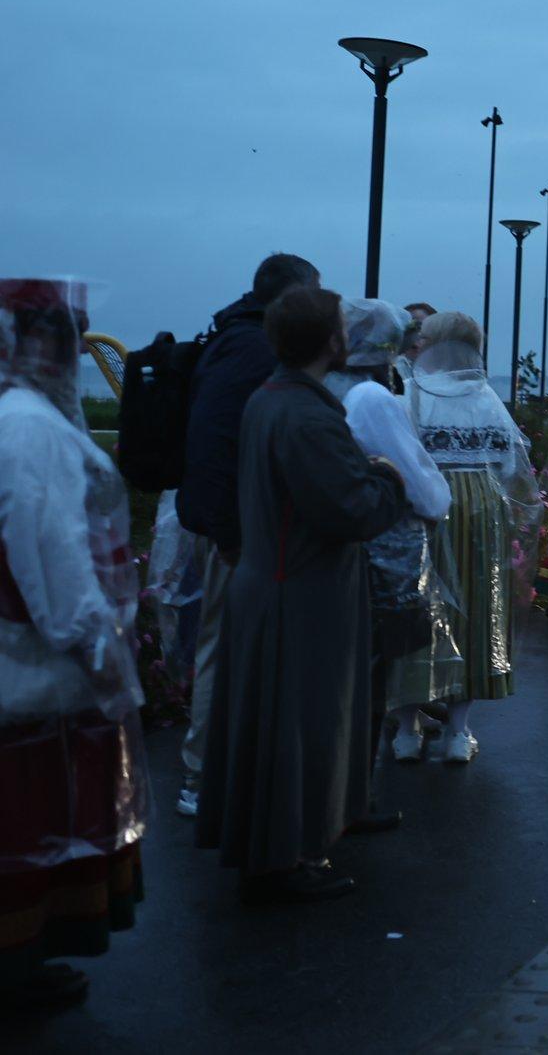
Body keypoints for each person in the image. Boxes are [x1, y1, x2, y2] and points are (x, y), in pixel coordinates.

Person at [194, 287, 407, 904]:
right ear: (332, 340)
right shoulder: (307, 416)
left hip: (278, 581)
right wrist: (388, 479)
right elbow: (352, 508)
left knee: (285, 724)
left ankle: (294, 837)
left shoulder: (273, 398)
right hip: (302, 594)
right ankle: (283, 857)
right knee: (297, 725)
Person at [0, 278, 147, 1009]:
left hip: (28, 661)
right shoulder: (30, 428)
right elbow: (53, 556)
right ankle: (15, 971)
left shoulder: (19, 419)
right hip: (29, 669)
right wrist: (99, 650)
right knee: (26, 829)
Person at [174, 252, 319, 819]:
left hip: (237, 524)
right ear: (291, 298)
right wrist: (230, 535)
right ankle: (202, 776)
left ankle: (220, 771)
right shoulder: (253, 348)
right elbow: (214, 444)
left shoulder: (236, 336)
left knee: (235, 649)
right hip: (238, 529)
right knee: (223, 650)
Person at [324, 300, 460, 775]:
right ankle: (354, 792)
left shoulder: (327, 387)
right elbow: (424, 487)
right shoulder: (373, 398)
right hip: (382, 561)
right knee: (370, 674)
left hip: (335, 555)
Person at [402, 312, 539, 761]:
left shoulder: (412, 394)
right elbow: (513, 465)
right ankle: (458, 732)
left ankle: (407, 727)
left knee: (417, 610)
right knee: (476, 612)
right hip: (481, 508)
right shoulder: (485, 398)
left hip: (425, 504)